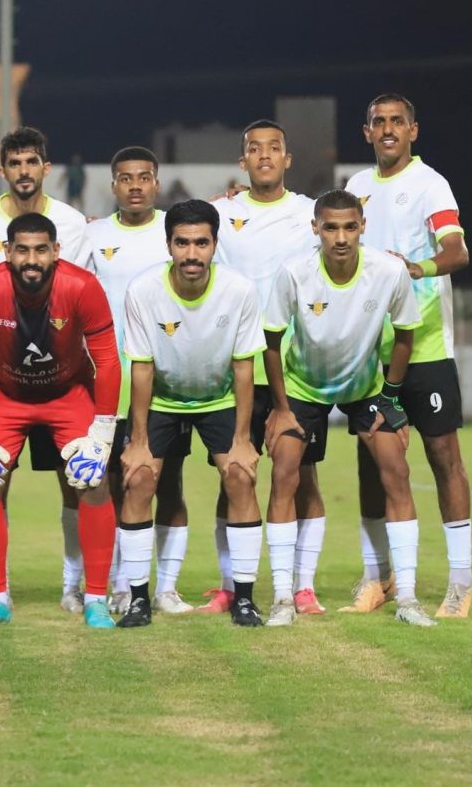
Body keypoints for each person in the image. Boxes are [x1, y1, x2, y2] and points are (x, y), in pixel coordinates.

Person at [262, 189, 436, 626]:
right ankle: (283, 598)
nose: (341, 237)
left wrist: (391, 397)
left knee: (397, 472)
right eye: (331, 228)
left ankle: (408, 598)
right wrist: (280, 408)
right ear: (315, 228)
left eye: (349, 227)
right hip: (303, 386)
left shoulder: (388, 271)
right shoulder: (294, 273)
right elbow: (271, 341)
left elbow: (406, 334)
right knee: (284, 474)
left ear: (363, 227)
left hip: (366, 388)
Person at [0, 126, 94, 613]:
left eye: (32, 162)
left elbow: (77, 291)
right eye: (15, 163)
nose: (24, 171)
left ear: (45, 168)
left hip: (63, 377)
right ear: (2, 170)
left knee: (77, 480)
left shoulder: (71, 223)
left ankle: (73, 585)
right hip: (4, 378)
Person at [0, 213, 121, 628]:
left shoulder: (82, 286)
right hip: (5, 395)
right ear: (7, 252)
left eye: (41, 250)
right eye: (22, 250)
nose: (32, 260)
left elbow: (107, 362)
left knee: (94, 480)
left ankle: (96, 599)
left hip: (69, 393)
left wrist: (102, 434)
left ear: (56, 251)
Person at [346, 93, 472, 619]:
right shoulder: (356, 186)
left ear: (413, 131)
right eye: (379, 122)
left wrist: (415, 269)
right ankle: (378, 576)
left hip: (425, 348)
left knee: (443, 457)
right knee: (371, 466)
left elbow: (457, 251)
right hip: (368, 353)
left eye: (397, 121)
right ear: (367, 132)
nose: (388, 129)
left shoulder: (430, 184)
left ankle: (460, 581)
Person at [120, 199, 265, 628]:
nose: (191, 253)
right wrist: (139, 441)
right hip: (162, 399)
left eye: (201, 243)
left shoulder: (239, 290)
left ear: (215, 244)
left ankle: (243, 599)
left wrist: (242, 439)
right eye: (182, 243)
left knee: (240, 476)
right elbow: (142, 368)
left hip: (218, 398)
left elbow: (244, 367)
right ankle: (137, 600)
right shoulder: (142, 291)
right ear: (168, 245)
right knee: (139, 479)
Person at [211, 120, 328, 617]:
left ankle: (302, 587)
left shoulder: (309, 214)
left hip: (294, 369)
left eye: (274, 148)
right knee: (232, 477)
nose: (264, 156)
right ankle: (229, 585)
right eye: (255, 149)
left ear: (287, 159)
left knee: (299, 475)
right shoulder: (222, 213)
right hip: (232, 368)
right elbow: (172, 234)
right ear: (243, 162)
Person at [85, 146, 193, 616]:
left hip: (165, 382)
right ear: (113, 185)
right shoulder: (92, 236)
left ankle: (166, 587)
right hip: (107, 380)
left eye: (144, 177)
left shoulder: (177, 232)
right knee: (112, 483)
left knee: (169, 484)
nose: (135, 186)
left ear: (156, 183)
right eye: (126, 178)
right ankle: (120, 583)